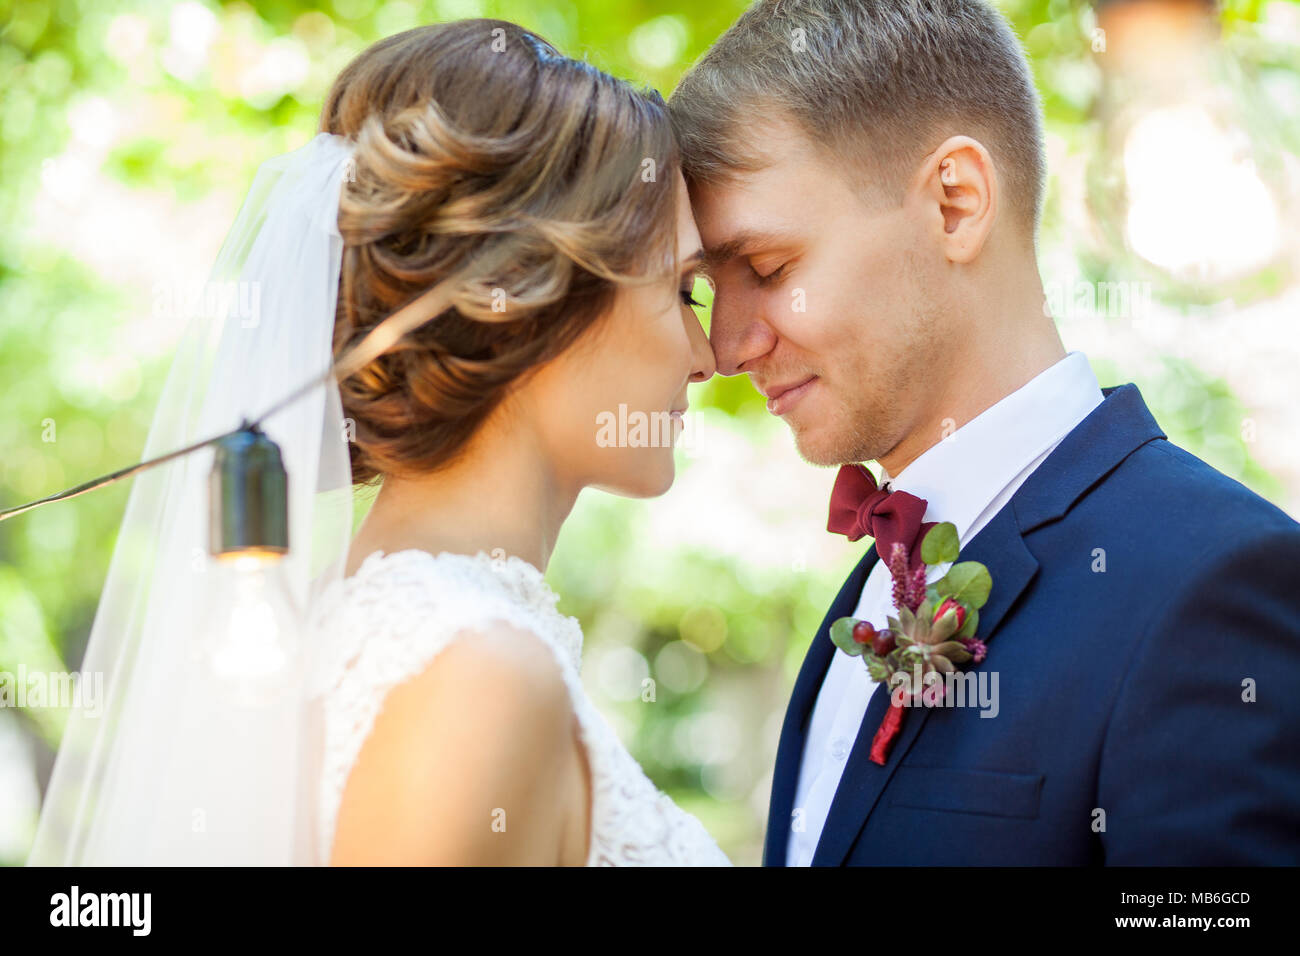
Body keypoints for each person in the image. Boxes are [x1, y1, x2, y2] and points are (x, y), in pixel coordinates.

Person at [30, 20, 729, 867]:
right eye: (684, 291)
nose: (710, 356)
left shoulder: (384, 636)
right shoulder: (477, 673)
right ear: (528, 297)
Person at [669, 0, 1300, 865]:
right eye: (708, 289)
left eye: (770, 269)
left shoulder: (1215, 582)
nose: (730, 345)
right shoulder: (861, 601)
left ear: (956, 203)